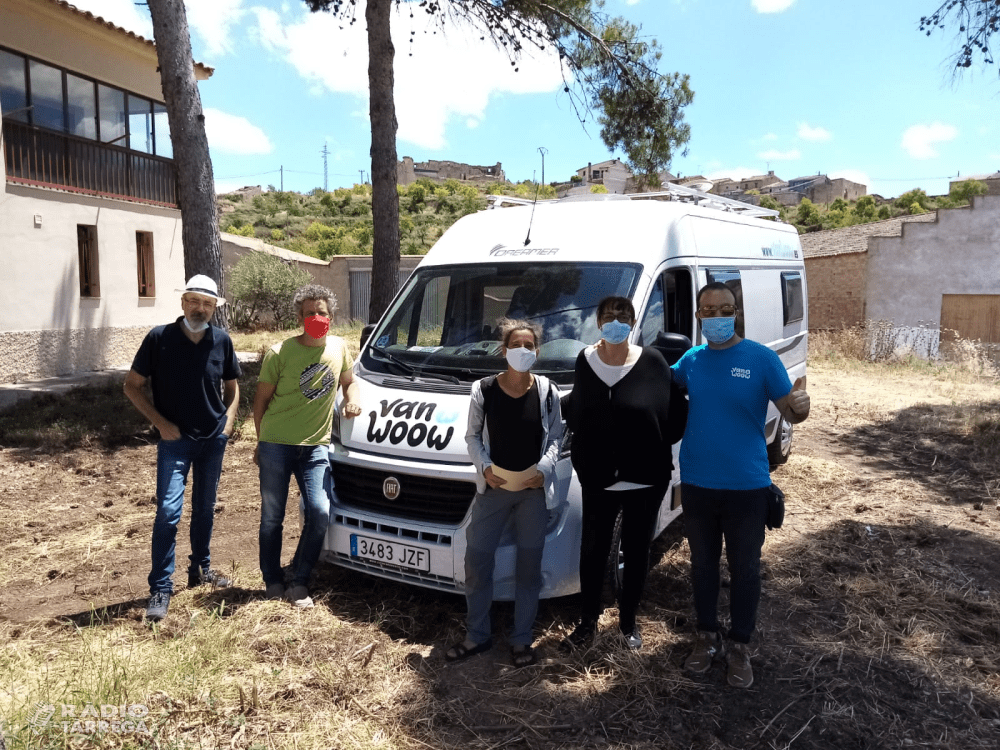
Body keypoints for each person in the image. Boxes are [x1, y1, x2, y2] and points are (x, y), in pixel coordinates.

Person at [672, 281, 810, 688]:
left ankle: (740, 645)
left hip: (748, 485)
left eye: (724, 308)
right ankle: (706, 636)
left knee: (746, 568)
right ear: (699, 317)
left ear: (737, 313)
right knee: (702, 566)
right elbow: (657, 389)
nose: (717, 315)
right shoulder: (690, 361)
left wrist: (800, 408)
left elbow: (791, 408)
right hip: (698, 481)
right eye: (709, 310)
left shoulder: (760, 358)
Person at [561, 296, 687, 651]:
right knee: (593, 550)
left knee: (635, 551)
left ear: (634, 323)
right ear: (597, 321)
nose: (616, 320)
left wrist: (648, 443)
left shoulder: (654, 362)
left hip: (646, 477)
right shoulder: (584, 362)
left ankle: (628, 623)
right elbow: (578, 411)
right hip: (599, 477)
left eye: (623, 315)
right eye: (609, 315)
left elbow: (675, 415)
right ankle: (587, 623)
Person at [124, 274, 241, 623]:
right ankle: (161, 587)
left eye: (207, 304)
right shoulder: (159, 338)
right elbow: (131, 386)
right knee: (168, 514)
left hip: (212, 441)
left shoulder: (222, 341)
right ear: (182, 302)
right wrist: (161, 424)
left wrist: (229, 423)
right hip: (175, 443)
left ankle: (200, 570)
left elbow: (232, 388)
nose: (200, 309)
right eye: (194, 301)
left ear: (214, 308)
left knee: (205, 509)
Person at [447, 319, 563, 667]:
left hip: (532, 493)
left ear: (537, 352)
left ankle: (521, 640)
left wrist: (544, 469)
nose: (523, 351)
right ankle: (477, 636)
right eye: (517, 345)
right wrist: (484, 467)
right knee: (477, 560)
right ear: (504, 350)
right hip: (493, 490)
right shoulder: (483, 389)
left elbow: (557, 438)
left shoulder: (547, 391)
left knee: (529, 568)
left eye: (529, 346)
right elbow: (472, 436)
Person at [254, 285, 361, 608]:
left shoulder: (340, 347)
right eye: (310, 313)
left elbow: (349, 381)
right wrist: (261, 443)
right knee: (272, 517)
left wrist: (353, 400)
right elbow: (260, 401)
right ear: (300, 318)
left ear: (332, 316)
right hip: (276, 444)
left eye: (322, 312)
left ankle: (300, 580)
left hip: (316, 447)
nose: (317, 317)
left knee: (319, 512)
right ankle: (272, 579)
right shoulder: (279, 353)